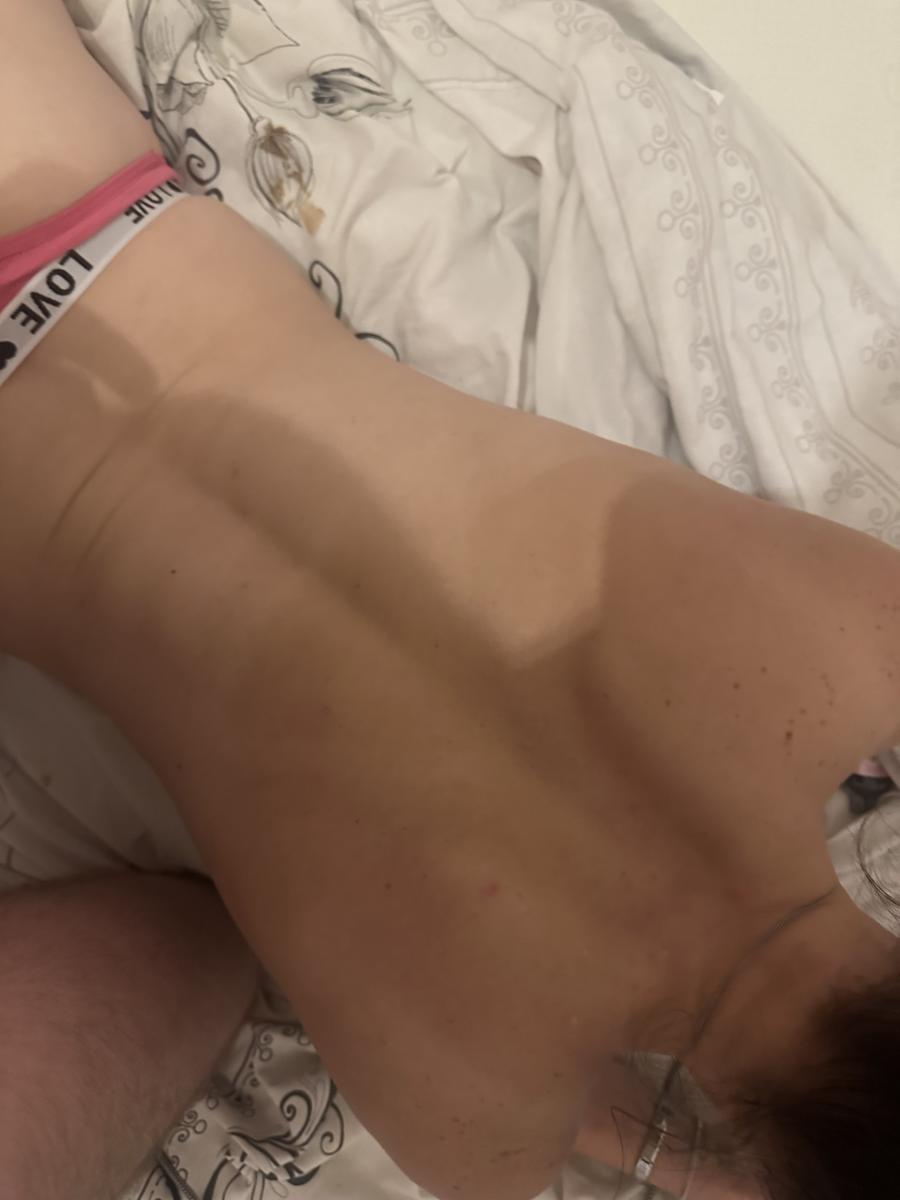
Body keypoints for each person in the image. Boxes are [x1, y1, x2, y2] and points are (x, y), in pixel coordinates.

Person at [1, 3, 899, 1200]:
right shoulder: (479, 1115)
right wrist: (713, 1170)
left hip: (90, 219)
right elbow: (625, 1149)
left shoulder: (860, 627)